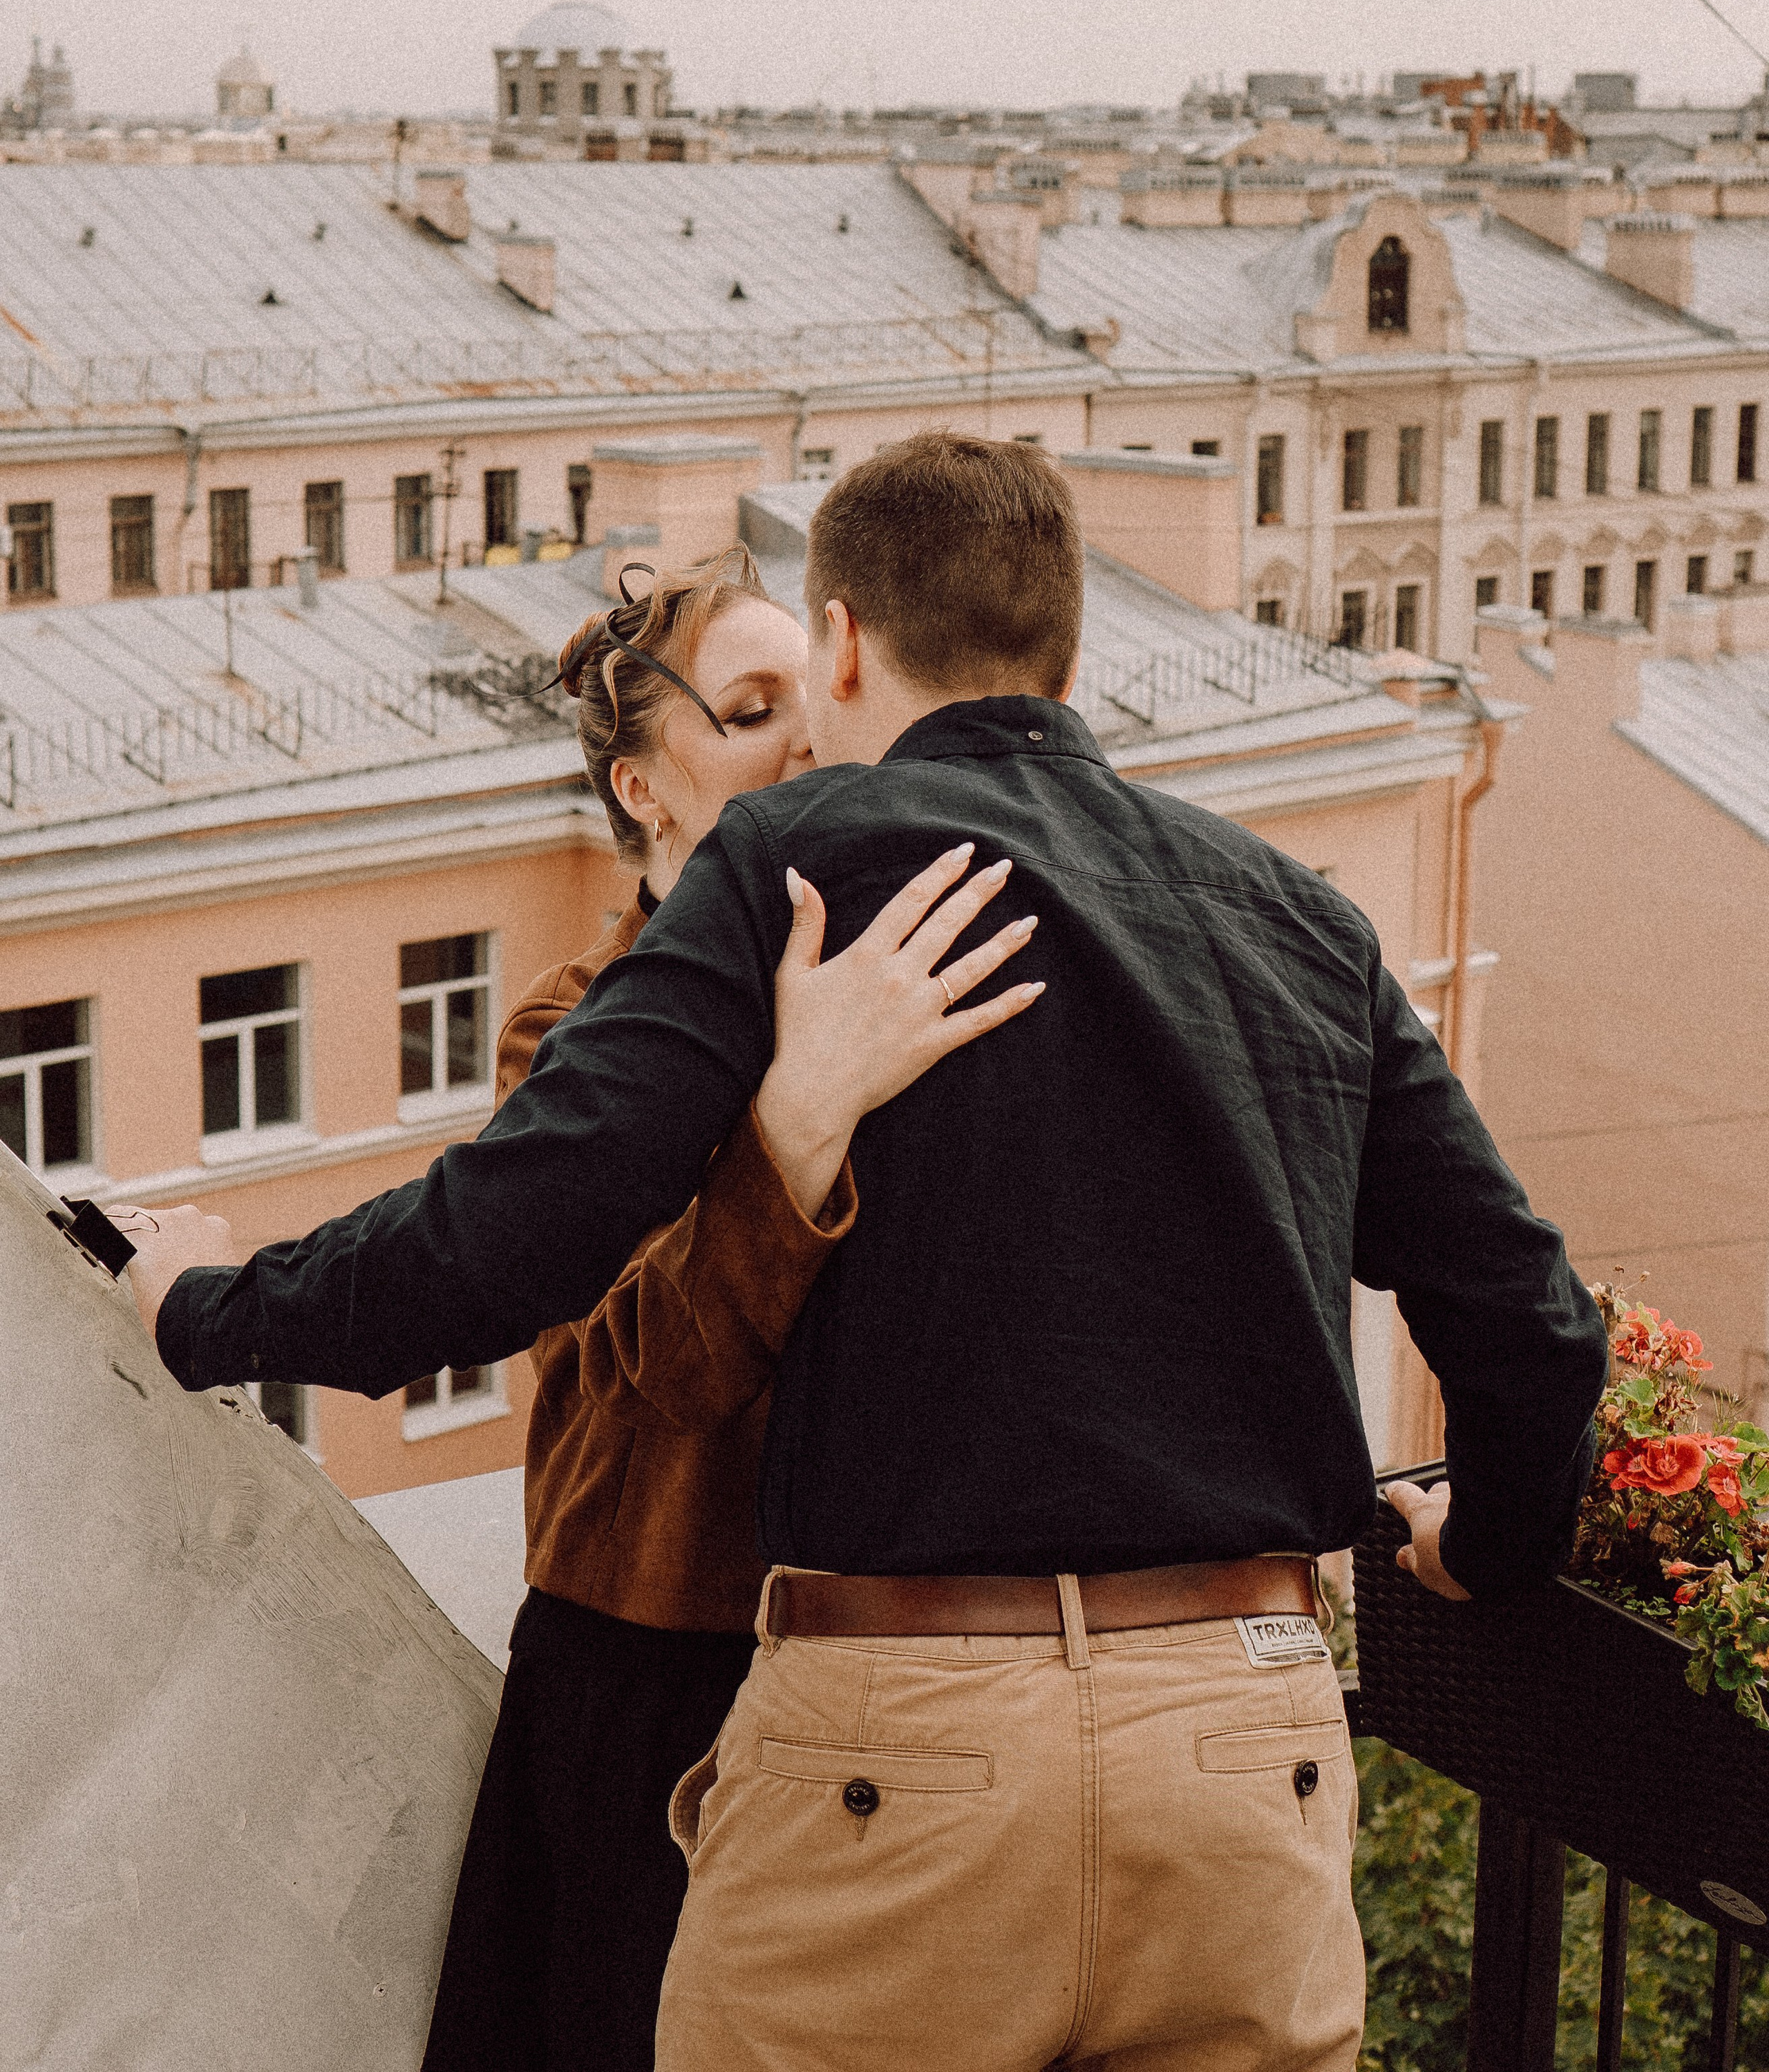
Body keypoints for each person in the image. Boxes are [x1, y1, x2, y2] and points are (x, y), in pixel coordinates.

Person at [132, 431, 1609, 2072]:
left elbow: (497, 1244)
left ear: (841, 641)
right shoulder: (1291, 915)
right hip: (1246, 1741)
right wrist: (1491, 1549)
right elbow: (1528, 1322)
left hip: (906, 1751)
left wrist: (203, 1310)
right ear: (1061, 643)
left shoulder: (801, 863)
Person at [122, 544, 1043, 2072]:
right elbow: (640, 1369)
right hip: (656, 1656)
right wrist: (789, 1123)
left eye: (812, 705)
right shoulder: (574, 1022)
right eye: (749, 711)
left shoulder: (905, 979)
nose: (803, 744)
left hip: (893, 1673)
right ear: (643, 786)